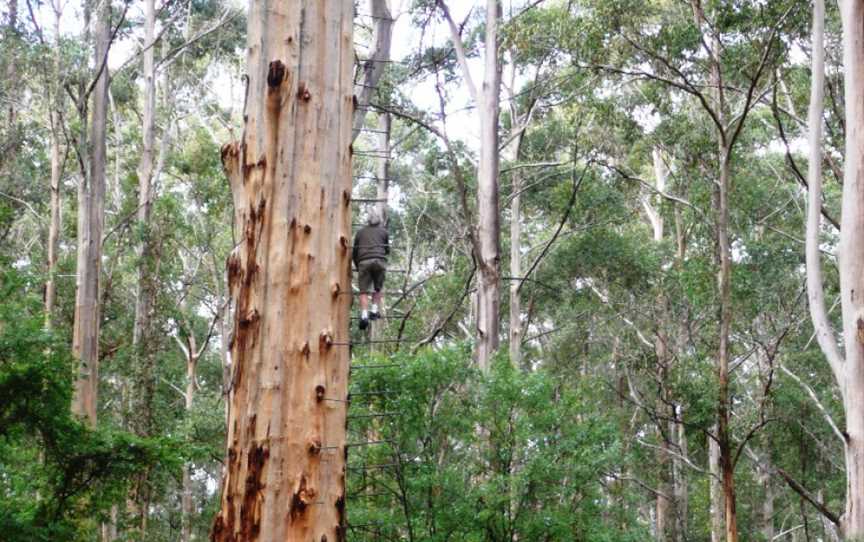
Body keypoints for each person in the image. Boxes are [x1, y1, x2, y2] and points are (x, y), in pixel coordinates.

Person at [353, 210, 389, 330]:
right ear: (378, 220)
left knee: (363, 291)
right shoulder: (384, 232)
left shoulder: (360, 232)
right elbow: (387, 249)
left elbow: (354, 251)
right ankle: (374, 311)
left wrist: (358, 266)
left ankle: (364, 316)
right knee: (377, 287)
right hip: (379, 261)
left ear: (368, 221)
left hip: (364, 261)